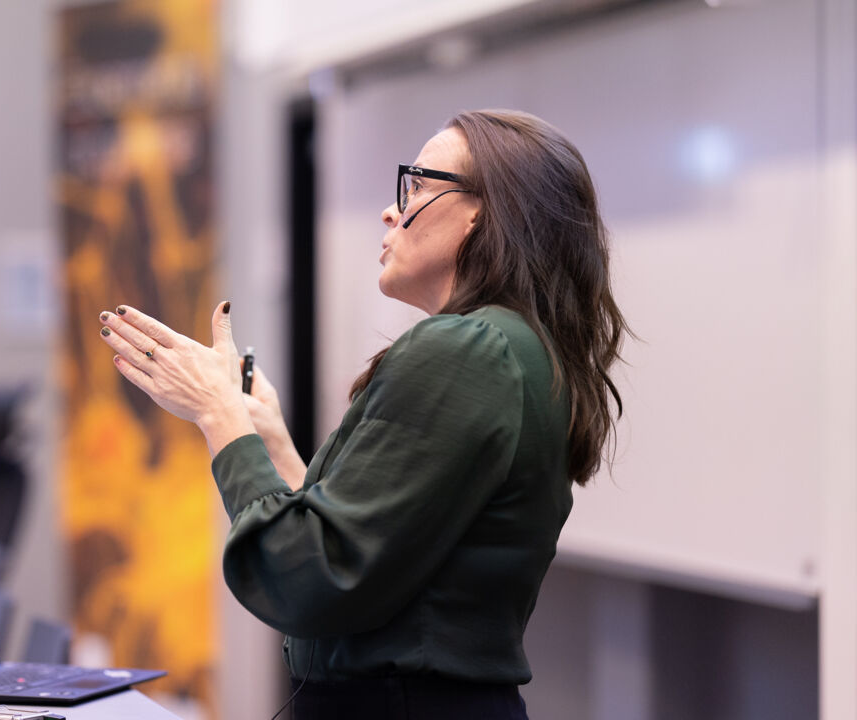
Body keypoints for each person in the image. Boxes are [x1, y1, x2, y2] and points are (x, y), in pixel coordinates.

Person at [96, 109, 628, 720]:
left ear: (483, 211)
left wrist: (219, 416)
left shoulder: (463, 350)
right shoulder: (516, 350)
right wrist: (272, 442)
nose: (391, 210)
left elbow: (305, 579)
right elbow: (372, 546)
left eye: (419, 185)